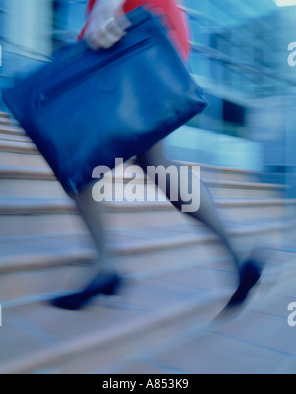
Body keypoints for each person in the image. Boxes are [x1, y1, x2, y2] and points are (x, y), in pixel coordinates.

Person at [52, 0, 263, 311]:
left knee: (78, 155)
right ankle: (239, 258)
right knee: (154, 163)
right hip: (151, 33)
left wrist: (106, 5)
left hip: (127, 31)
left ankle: (106, 268)